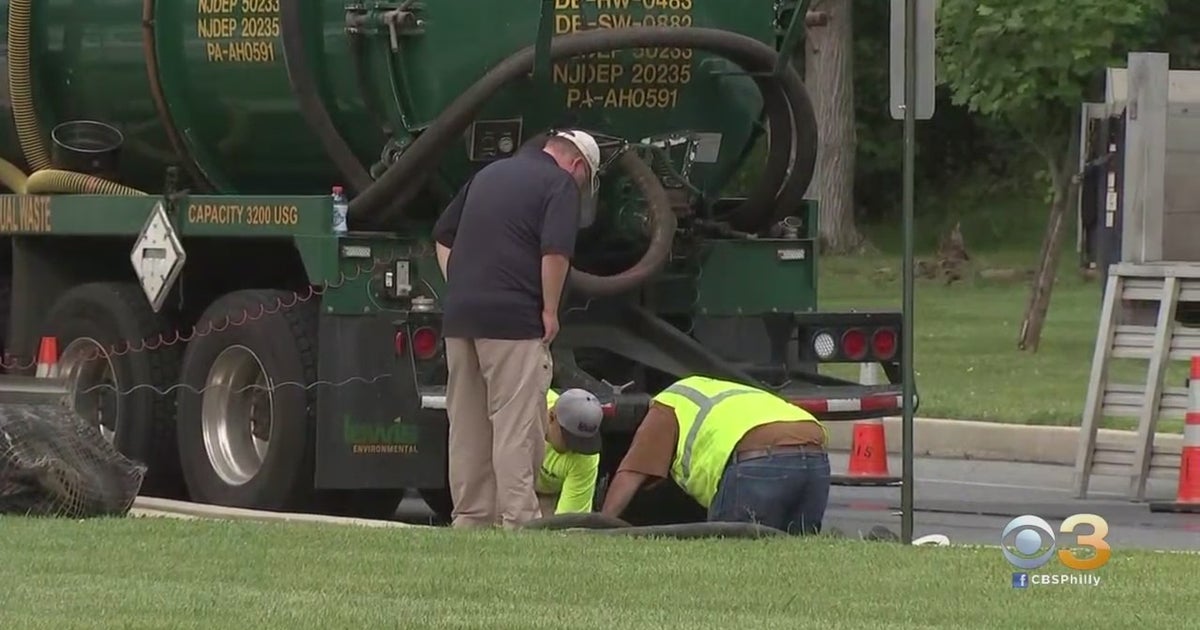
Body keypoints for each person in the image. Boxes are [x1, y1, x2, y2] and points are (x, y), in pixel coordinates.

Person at [431, 129, 602, 529]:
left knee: (468, 424)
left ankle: (470, 519)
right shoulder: (559, 184)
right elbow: (555, 251)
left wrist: (458, 282)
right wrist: (549, 309)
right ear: (577, 165)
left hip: (460, 318)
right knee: (516, 424)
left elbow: (442, 234)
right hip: (513, 321)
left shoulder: (488, 174)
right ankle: (519, 522)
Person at [599, 375, 831, 534]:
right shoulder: (725, 393)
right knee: (796, 553)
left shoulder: (667, 403)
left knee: (729, 553)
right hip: (816, 456)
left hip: (759, 461)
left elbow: (630, 475)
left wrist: (601, 525)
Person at [535, 388, 605, 516]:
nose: (575, 448)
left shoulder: (586, 457)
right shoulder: (525, 412)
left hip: (548, 494)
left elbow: (567, 522)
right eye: (570, 439)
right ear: (551, 417)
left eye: (583, 441)